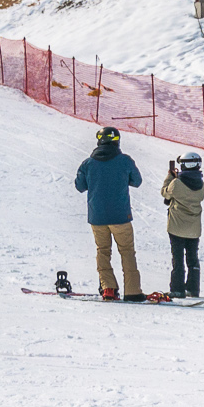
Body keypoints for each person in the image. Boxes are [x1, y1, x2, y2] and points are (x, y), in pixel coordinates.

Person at [73, 125, 147, 301]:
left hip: (97, 216)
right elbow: (137, 181)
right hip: (121, 216)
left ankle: (108, 289)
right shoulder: (125, 160)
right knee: (127, 251)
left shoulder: (88, 163)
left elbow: (80, 186)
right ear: (117, 141)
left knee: (103, 251)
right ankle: (132, 291)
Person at [162, 152, 204, 301]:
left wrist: (170, 177)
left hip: (177, 227)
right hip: (194, 228)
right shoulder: (201, 185)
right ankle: (193, 288)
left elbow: (165, 193)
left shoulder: (176, 183)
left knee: (178, 258)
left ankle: (177, 289)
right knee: (193, 258)